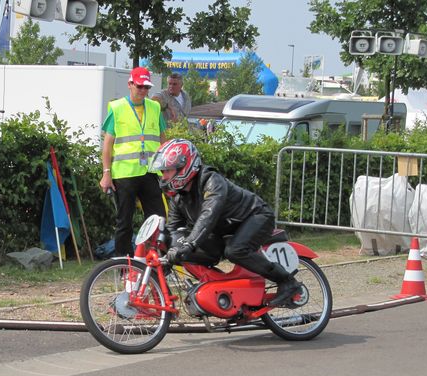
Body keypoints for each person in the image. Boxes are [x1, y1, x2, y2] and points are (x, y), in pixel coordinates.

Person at [149, 138, 302, 306]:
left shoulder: (212, 181)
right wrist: (169, 253)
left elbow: (209, 215)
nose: (163, 177)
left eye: (167, 171)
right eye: (162, 172)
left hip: (256, 216)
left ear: (183, 167)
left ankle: (288, 282)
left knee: (235, 251)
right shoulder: (178, 196)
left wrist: (189, 244)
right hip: (226, 228)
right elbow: (173, 229)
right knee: (190, 247)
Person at [100, 66, 167, 256]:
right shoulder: (118, 108)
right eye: (140, 86)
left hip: (150, 172)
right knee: (124, 223)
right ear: (130, 84)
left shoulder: (154, 107)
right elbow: (108, 145)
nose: (143, 91)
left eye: (147, 87)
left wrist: (168, 168)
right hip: (125, 174)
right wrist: (106, 174)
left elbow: (163, 140)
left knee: (159, 219)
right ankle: (124, 266)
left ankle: (158, 263)